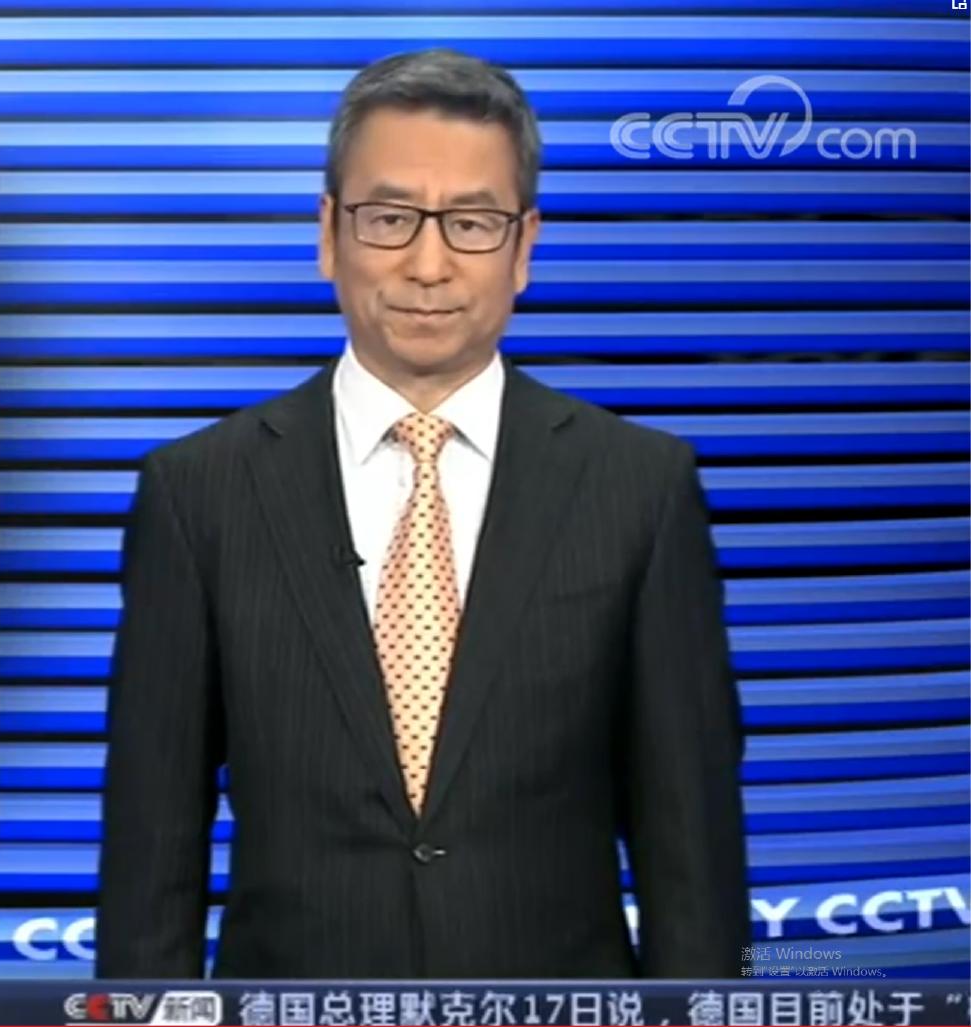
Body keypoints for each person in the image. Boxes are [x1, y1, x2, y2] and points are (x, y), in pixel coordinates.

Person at [94, 49, 749, 979]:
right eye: (389, 217)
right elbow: (149, 857)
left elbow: (693, 860)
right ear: (328, 234)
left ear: (524, 247)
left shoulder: (638, 488)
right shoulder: (199, 491)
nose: (428, 264)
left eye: (472, 223)